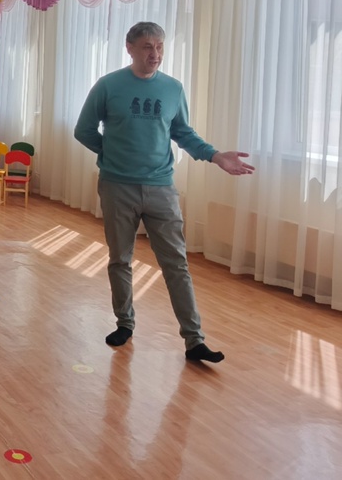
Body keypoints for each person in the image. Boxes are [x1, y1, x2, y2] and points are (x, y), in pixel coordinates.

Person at [74, 22, 254, 363]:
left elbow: (183, 133)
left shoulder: (172, 88)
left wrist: (216, 156)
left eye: (159, 46)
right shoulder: (108, 85)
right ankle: (125, 323)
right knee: (120, 259)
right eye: (146, 46)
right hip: (117, 187)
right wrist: (111, 155)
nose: (154, 53)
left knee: (176, 264)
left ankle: (194, 341)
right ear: (129, 48)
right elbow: (83, 130)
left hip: (161, 188)